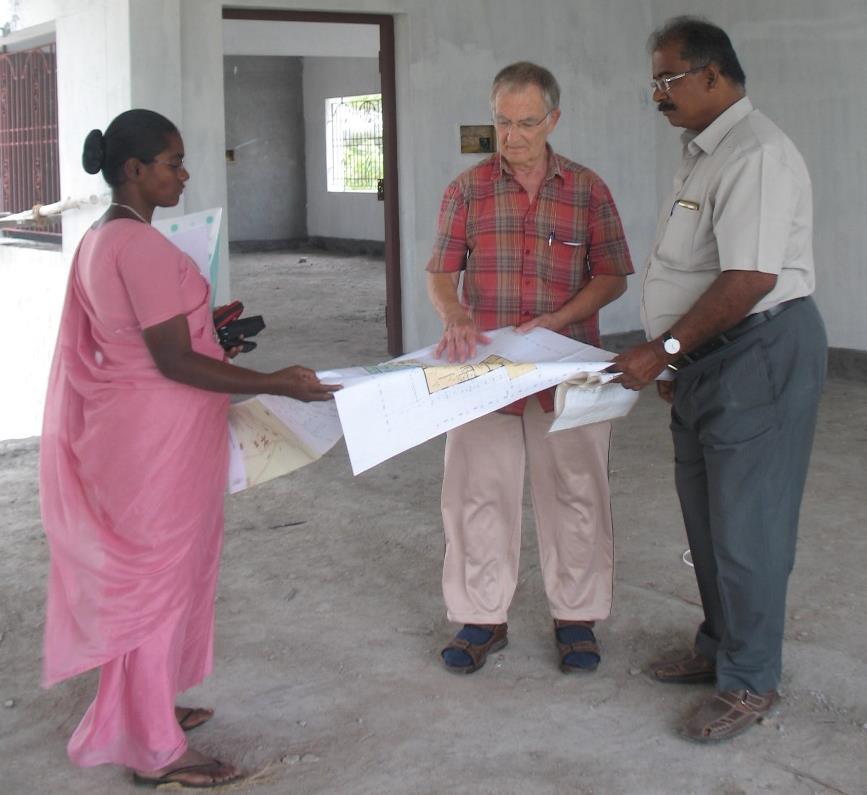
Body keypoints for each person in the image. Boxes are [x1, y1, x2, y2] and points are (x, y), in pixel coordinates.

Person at [39, 109, 340, 788]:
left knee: (157, 578)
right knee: (154, 584)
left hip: (141, 430)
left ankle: (144, 709)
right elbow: (172, 359)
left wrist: (214, 339)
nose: (183, 173)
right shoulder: (139, 245)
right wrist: (274, 383)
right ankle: (155, 749)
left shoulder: (105, 237)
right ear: (134, 170)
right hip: (156, 438)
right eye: (171, 162)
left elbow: (149, 338)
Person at [613, 17, 827, 742]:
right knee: (707, 523)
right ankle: (719, 646)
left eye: (667, 79)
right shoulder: (704, 152)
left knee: (748, 531)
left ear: (712, 75)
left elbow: (750, 276)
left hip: (756, 355)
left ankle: (750, 679)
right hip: (709, 358)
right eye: (654, 81)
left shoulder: (755, 152)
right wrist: (677, 359)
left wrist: (661, 348)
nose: (657, 95)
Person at [426, 62, 633, 675]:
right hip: (485, 371)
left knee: (576, 493)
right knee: (476, 495)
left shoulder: (588, 190)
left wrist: (562, 317)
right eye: (501, 122)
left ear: (553, 120)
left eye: (525, 123)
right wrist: (455, 314)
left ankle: (576, 618)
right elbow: (440, 271)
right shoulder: (466, 190)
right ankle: (481, 619)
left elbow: (614, 275)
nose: (511, 137)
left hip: (567, 367)